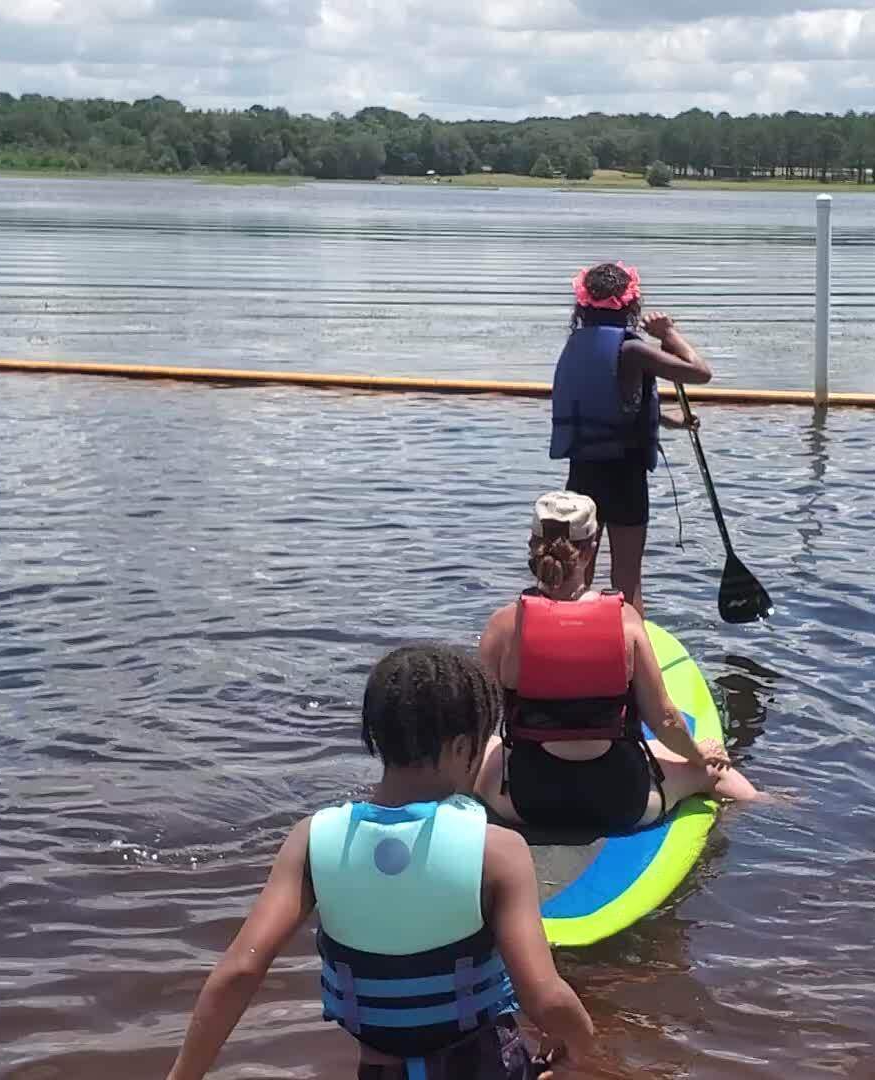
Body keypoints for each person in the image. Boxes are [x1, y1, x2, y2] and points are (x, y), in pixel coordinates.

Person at [165, 645, 597, 1080]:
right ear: (463, 745)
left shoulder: (312, 841)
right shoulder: (498, 851)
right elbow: (546, 998)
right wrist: (578, 1048)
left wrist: (183, 1075)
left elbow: (241, 968)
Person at [475, 491, 760, 836]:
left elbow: (477, 722)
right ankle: (768, 809)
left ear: (533, 543)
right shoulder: (625, 622)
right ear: (592, 547)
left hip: (526, 800)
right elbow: (666, 720)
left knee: (480, 748)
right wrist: (701, 755)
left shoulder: (503, 626)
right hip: (623, 800)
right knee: (718, 768)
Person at [548, 261, 713, 614]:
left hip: (583, 476)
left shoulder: (577, 345)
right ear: (631, 306)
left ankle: (567, 636)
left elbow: (614, 407)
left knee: (578, 571)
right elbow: (700, 373)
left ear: (583, 306)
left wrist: (671, 422)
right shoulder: (632, 350)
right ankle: (632, 654)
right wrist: (669, 334)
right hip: (625, 477)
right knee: (627, 577)